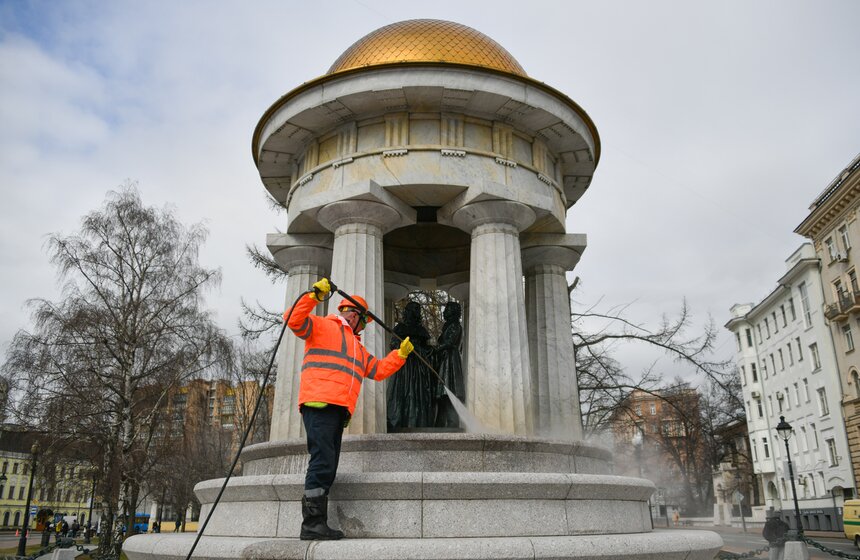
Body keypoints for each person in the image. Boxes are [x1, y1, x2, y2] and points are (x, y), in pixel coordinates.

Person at [284, 278, 412, 540]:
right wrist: (313, 297)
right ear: (354, 315)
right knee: (322, 461)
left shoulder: (356, 347)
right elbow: (292, 320)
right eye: (364, 321)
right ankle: (311, 524)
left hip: (336, 410)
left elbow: (376, 370)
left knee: (328, 463)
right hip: (319, 404)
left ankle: (317, 522)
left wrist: (400, 355)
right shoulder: (322, 327)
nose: (364, 326)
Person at [386, 301, 434, 429]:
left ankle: (418, 422)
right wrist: (403, 347)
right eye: (414, 311)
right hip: (404, 367)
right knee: (402, 393)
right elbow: (393, 344)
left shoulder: (421, 330)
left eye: (417, 311)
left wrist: (425, 350)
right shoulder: (400, 328)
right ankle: (399, 422)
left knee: (417, 394)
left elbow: (426, 347)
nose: (416, 313)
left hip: (418, 368)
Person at [434, 301, 465, 428]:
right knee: (443, 396)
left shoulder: (455, 325)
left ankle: (452, 425)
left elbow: (449, 342)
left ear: (452, 311)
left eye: (447, 309)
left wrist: (436, 349)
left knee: (448, 393)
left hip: (450, 362)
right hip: (445, 360)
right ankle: (440, 425)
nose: (444, 312)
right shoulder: (448, 326)